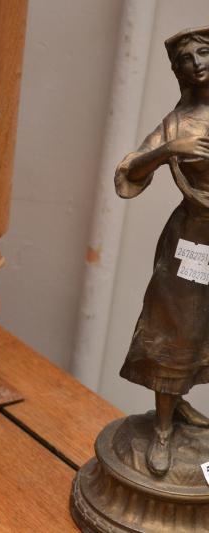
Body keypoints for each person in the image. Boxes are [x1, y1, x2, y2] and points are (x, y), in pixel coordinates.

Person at [115, 25, 209, 476]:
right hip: (191, 240)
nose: (197, 64)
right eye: (186, 59)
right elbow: (128, 173)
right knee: (175, 328)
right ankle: (165, 428)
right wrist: (171, 147)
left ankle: (184, 400)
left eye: (203, 53)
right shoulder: (178, 123)